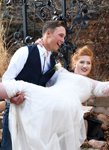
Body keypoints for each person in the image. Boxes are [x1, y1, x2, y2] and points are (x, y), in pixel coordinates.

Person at [0, 46, 109, 150]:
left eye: (88, 63)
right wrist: (40, 45)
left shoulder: (92, 84)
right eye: (82, 62)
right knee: (21, 87)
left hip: (67, 107)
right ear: (74, 63)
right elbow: (44, 61)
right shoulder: (61, 72)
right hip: (49, 100)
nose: (85, 65)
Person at [1, 20, 66, 150]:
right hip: (16, 110)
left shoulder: (53, 62)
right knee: (10, 146)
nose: (63, 40)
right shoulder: (25, 52)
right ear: (48, 34)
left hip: (36, 114)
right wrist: (11, 98)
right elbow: (7, 79)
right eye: (61, 35)